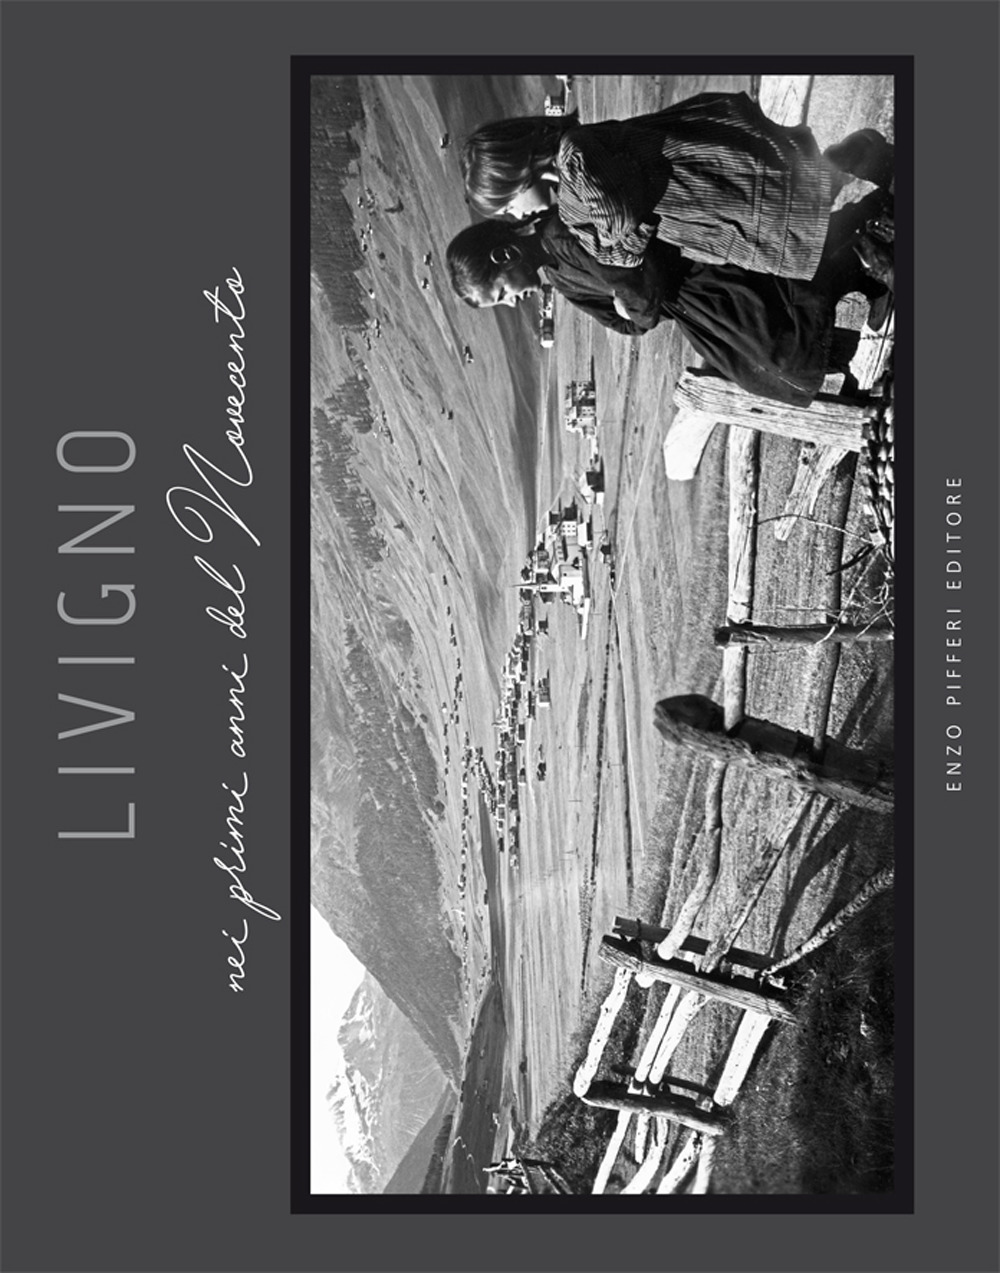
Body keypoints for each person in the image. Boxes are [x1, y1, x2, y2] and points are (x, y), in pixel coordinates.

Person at [447, 208, 889, 406]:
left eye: (501, 293)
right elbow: (626, 320)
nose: (512, 302)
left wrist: (634, 302)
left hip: (700, 277)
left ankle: (860, 253)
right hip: (693, 310)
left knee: (781, 338)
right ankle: (865, 354)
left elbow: (640, 288)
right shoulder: (559, 276)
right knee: (764, 366)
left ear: (503, 256)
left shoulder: (563, 233)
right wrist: (633, 303)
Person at [461, 92, 893, 282]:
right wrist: (615, 237)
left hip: (712, 182)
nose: (515, 215)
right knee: (799, 225)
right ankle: (861, 165)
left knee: (800, 213)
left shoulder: (575, 152)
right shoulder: (571, 202)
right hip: (704, 212)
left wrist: (613, 236)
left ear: (520, 173)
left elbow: (620, 218)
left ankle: (868, 168)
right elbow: (623, 253)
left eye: (508, 204)